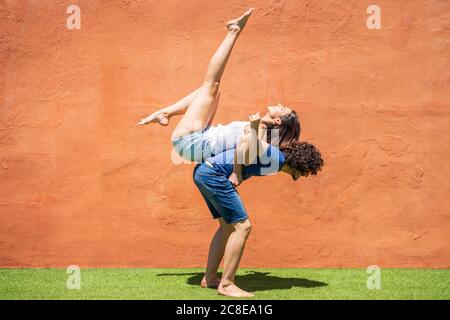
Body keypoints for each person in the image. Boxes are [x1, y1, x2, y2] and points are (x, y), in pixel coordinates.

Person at [137, 8, 301, 166]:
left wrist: (252, 131)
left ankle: (234, 31)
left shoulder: (260, 133)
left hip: (190, 142)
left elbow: (246, 156)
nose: (280, 104)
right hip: (200, 139)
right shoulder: (260, 128)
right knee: (213, 92)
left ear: (278, 120)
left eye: (283, 108)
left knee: (212, 85)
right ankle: (165, 113)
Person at [194, 112, 324, 297]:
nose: (305, 176)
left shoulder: (277, 161)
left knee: (227, 227)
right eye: (307, 172)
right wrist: (256, 126)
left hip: (204, 172)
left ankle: (210, 278)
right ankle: (227, 284)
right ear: (301, 165)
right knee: (243, 227)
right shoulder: (277, 158)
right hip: (214, 174)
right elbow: (248, 142)